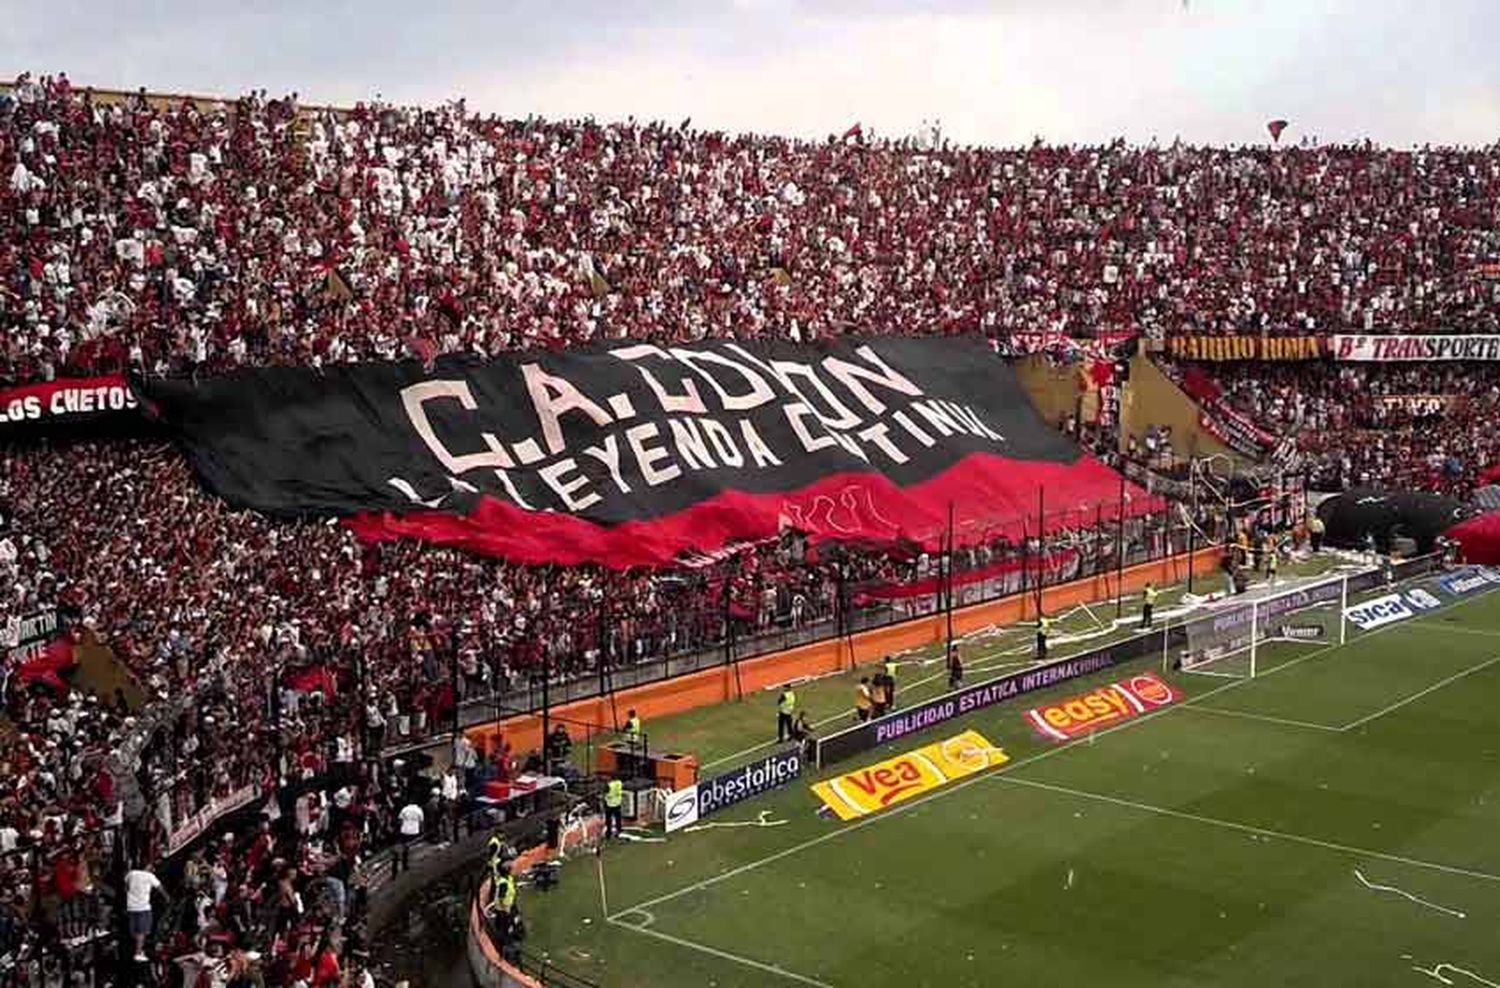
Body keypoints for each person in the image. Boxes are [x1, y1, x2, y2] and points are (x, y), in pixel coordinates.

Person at [124, 862, 163, 961]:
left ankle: (138, 949)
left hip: (131, 906)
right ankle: (138, 953)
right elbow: (160, 888)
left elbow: (126, 887)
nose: (153, 869)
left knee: (134, 931)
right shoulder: (149, 876)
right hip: (143, 907)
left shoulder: (131, 873)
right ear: (147, 866)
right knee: (142, 931)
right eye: (152, 866)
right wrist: (167, 898)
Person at [395, 798, 424, 875]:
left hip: (405, 830)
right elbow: (421, 821)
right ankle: (409, 862)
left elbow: (400, 820)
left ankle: (404, 862)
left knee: (405, 846)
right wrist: (421, 830)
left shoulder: (404, 809)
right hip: (415, 831)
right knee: (412, 846)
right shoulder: (419, 810)